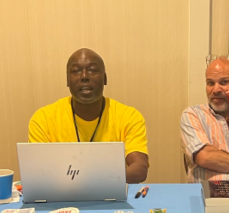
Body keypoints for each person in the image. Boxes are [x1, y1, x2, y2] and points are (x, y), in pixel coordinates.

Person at [29, 48, 148, 183]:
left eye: (92, 70)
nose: (84, 76)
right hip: (60, 198)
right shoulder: (43, 118)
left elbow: (139, 170)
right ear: (67, 80)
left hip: (109, 196)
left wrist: (87, 180)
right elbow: (37, 173)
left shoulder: (129, 116)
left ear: (105, 79)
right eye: (76, 71)